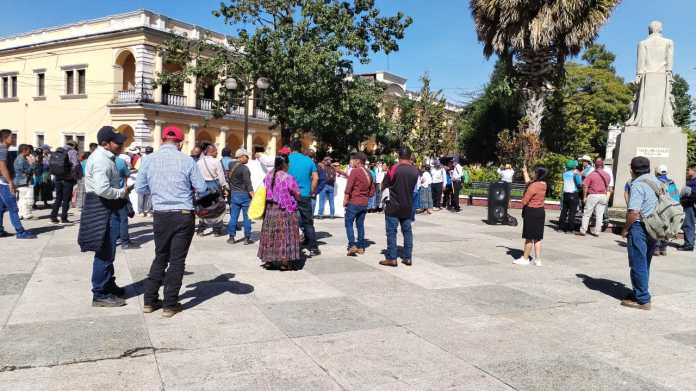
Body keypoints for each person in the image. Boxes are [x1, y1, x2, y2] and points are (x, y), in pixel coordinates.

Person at [136, 126, 207, 317]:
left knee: (160, 255)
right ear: (181, 143)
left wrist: (159, 190)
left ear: (162, 140)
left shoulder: (149, 160)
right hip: (183, 213)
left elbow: (140, 188)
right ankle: (170, 304)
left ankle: (149, 301)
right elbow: (201, 187)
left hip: (161, 214)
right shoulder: (187, 161)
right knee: (177, 260)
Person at [78, 126, 132, 307]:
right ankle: (100, 293)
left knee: (109, 251)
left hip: (107, 207)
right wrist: (121, 193)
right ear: (105, 144)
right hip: (103, 208)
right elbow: (102, 189)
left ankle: (108, 284)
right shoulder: (101, 160)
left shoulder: (107, 157)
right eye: (117, 142)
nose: (121, 145)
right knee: (105, 252)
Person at [621, 156, 660, 311]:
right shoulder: (657, 182)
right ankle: (639, 291)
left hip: (640, 227)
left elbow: (633, 212)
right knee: (645, 262)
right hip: (655, 227)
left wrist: (625, 229)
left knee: (637, 262)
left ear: (632, 169)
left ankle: (643, 299)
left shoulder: (637, 184)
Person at [259, 155, 302, 271]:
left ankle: (268, 261)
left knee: (270, 235)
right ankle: (284, 262)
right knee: (285, 235)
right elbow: (297, 193)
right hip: (285, 211)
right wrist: (298, 197)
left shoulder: (267, 176)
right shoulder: (288, 178)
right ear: (284, 164)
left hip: (270, 210)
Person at [380, 148, 419, 267]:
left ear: (399, 155)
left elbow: (384, 184)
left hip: (393, 205)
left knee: (391, 232)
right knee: (407, 231)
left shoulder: (394, 168)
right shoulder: (415, 170)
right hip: (407, 205)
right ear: (410, 156)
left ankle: (392, 258)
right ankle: (407, 257)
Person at [0, 130, 36, 239]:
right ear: (5, 138)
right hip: (5, 183)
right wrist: (10, 182)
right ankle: (20, 232)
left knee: (1, 208)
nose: (14, 139)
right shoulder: (3, 149)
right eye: (12, 137)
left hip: (2, 183)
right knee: (13, 208)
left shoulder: (4, 149)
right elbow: (2, 167)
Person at [287, 141, 320, 256]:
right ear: (301, 148)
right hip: (305, 194)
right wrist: (311, 191)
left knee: (289, 220)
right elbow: (316, 178)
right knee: (308, 222)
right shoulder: (308, 160)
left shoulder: (286, 159)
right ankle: (313, 248)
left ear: (290, 148)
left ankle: (291, 245)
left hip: (289, 194)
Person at [513, 164, 548, 266]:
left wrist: (519, 202)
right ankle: (538, 260)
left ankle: (525, 258)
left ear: (538, 173)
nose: (533, 173)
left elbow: (525, 200)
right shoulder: (543, 184)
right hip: (540, 211)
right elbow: (529, 182)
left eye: (534, 171)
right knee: (537, 237)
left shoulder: (534, 185)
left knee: (529, 237)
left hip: (531, 212)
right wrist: (525, 172)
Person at [344, 152, 374, 256]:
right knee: (360, 225)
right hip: (364, 203)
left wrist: (345, 199)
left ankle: (352, 245)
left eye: (353, 160)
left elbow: (349, 187)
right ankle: (361, 247)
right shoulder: (369, 172)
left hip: (354, 202)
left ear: (358, 161)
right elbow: (372, 192)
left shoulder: (355, 171)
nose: (352, 161)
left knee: (348, 223)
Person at [196, 144, 228, 236]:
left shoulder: (199, 162)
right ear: (211, 151)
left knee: (204, 208)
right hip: (214, 186)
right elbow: (221, 176)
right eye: (216, 151)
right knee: (218, 208)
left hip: (203, 187)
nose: (217, 152)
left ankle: (201, 230)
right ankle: (217, 230)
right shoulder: (216, 161)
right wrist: (224, 186)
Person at [227, 148, 254, 245]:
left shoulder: (230, 165)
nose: (248, 159)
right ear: (241, 157)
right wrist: (254, 197)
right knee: (247, 217)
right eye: (247, 157)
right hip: (244, 195)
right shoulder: (245, 169)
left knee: (233, 216)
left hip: (234, 194)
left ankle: (231, 237)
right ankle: (247, 238)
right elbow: (248, 185)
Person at [50, 139, 81, 224]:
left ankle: (53, 217)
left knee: (58, 198)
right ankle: (63, 218)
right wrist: (74, 175)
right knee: (66, 199)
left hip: (57, 177)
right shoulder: (73, 152)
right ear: (74, 146)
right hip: (68, 178)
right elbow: (75, 165)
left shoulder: (58, 150)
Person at [577, 159, 611, 236]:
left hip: (593, 195)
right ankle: (597, 232)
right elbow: (608, 186)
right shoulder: (607, 175)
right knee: (600, 215)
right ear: (603, 166)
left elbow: (585, 185)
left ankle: (583, 231)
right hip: (603, 196)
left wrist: (584, 196)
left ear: (595, 166)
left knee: (587, 213)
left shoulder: (592, 174)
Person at [114, 154, 137, 249]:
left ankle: (114, 239)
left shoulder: (99, 159)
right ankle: (125, 242)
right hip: (120, 193)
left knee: (113, 218)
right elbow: (127, 173)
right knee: (123, 218)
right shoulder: (120, 161)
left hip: (106, 194)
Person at [558, 160, 582, 233]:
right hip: (573, 194)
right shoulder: (576, 174)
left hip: (565, 194)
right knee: (572, 212)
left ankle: (560, 228)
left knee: (564, 211)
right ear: (574, 166)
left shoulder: (564, 173)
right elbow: (579, 184)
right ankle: (570, 229)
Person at [14, 144, 35, 220]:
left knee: (21, 199)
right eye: (29, 150)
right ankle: (27, 215)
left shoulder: (20, 158)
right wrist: (32, 164)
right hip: (24, 181)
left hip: (20, 181)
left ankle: (21, 214)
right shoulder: (21, 160)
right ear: (24, 150)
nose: (30, 152)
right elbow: (27, 171)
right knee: (28, 198)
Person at [679, 164, 696, 252]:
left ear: (694, 171)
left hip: (690, 206)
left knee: (688, 225)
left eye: (688, 170)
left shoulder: (694, 182)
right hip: (687, 205)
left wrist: (685, 198)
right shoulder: (690, 180)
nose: (687, 172)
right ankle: (688, 243)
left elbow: (694, 195)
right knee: (687, 225)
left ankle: (689, 245)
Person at [136, 146, 154, 216]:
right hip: (151, 178)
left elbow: (137, 168)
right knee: (150, 195)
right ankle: (149, 211)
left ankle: (141, 211)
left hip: (142, 178)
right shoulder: (154, 159)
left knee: (141, 195)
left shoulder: (141, 159)